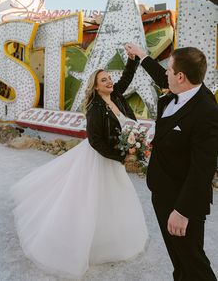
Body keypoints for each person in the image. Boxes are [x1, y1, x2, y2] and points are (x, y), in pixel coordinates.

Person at [11, 53, 148, 279]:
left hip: (115, 157)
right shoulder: (95, 108)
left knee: (114, 199)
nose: (109, 82)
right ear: (95, 87)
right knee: (91, 198)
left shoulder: (117, 96)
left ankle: (113, 239)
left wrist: (133, 60)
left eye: (109, 78)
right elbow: (95, 141)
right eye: (103, 80)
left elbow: (126, 78)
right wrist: (120, 156)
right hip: (102, 157)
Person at [126, 43, 218, 281]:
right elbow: (161, 77)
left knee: (193, 262)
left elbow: (203, 168)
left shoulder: (206, 110)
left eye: (169, 69)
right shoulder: (181, 88)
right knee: (179, 261)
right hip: (162, 193)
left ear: (180, 76)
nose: (164, 73)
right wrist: (141, 55)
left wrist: (182, 211)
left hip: (181, 202)